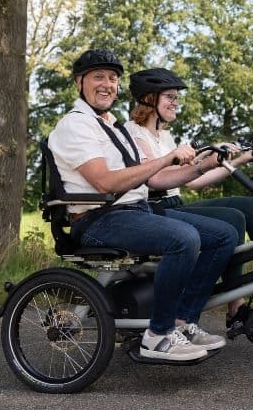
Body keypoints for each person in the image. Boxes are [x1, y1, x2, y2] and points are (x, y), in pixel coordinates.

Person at [47, 49, 239, 362]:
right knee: (184, 238)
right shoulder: (76, 126)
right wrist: (167, 156)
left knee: (224, 235)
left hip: (134, 212)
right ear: (80, 82)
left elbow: (154, 180)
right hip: (99, 220)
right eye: (99, 77)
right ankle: (158, 335)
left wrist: (202, 166)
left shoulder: (110, 126)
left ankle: (183, 321)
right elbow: (105, 183)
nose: (107, 84)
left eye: (113, 78)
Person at [124, 67, 253, 326]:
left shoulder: (165, 135)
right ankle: (220, 306)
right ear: (150, 99)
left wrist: (239, 160)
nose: (176, 102)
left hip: (175, 203)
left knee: (247, 205)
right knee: (233, 219)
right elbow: (156, 178)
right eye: (170, 97)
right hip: (154, 208)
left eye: (176, 97)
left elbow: (195, 181)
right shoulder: (134, 132)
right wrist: (203, 161)